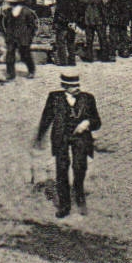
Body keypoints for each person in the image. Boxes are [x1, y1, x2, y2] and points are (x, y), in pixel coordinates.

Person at [33, 71, 101, 218]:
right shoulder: (54, 98)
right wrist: (40, 137)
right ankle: (64, 205)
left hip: (81, 137)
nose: (76, 88)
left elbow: (97, 122)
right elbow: (46, 118)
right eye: (71, 86)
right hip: (61, 137)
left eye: (77, 85)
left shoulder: (88, 98)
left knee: (79, 167)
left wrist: (86, 123)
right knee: (62, 169)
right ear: (64, 86)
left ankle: (80, 197)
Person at [0, 0, 38, 81]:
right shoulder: (8, 12)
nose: (10, 3)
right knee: (10, 55)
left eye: (11, 2)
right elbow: (5, 23)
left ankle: (31, 70)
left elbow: (32, 26)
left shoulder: (26, 11)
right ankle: (10, 74)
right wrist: (7, 34)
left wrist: (29, 37)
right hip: (11, 37)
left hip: (23, 37)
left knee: (25, 55)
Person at [52, 0, 82, 66]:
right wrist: (74, 22)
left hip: (62, 24)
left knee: (61, 42)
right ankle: (72, 61)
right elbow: (79, 12)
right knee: (71, 42)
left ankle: (63, 61)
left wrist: (57, 22)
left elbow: (59, 12)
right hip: (72, 24)